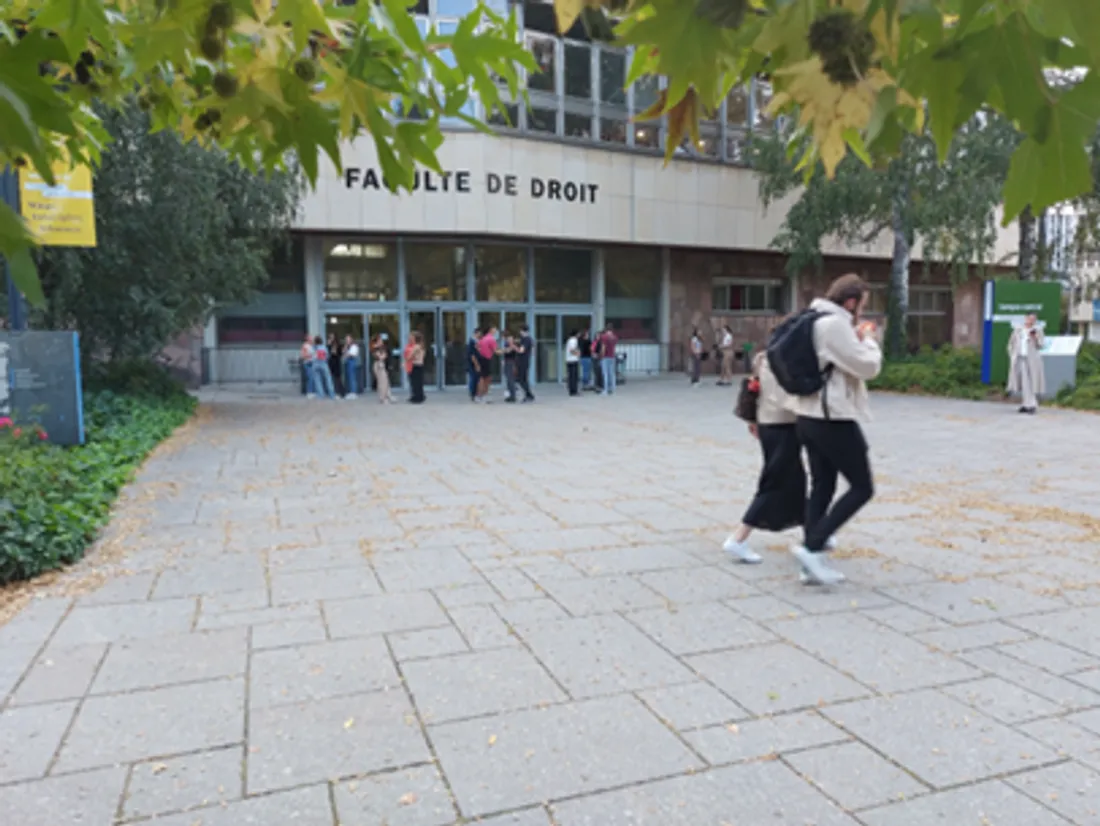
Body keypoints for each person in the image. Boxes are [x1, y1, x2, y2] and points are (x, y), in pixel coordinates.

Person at [787, 273, 882, 585]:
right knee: (862, 486)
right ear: (851, 302)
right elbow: (866, 367)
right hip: (832, 416)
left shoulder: (812, 318)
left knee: (823, 485)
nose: (862, 312)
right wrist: (869, 340)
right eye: (862, 305)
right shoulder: (834, 324)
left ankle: (810, 563)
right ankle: (812, 548)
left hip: (807, 414)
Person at [723, 333, 805, 564]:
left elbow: (755, 389)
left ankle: (815, 532)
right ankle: (739, 537)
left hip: (767, 423)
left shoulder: (763, 357)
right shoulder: (789, 360)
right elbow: (790, 396)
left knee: (796, 480)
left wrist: (752, 419)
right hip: (783, 424)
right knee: (774, 481)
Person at [1007, 313, 1045, 414]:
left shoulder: (1037, 331)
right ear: (1026, 318)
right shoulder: (1018, 330)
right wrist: (1012, 355)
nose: (1031, 321)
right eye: (1030, 318)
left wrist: (1035, 337)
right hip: (1020, 358)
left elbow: (1041, 345)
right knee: (1023, 383)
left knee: (1031, 382)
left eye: (1034, 319)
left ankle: (1032, 405)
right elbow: (1011, 344)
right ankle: (1025, 404)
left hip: (1032, 360)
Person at [476, 325, 498, 402]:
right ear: (491, 330)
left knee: (482, 378)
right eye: (495, 329)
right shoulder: (491, 339)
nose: (496, 331)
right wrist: (506, 350)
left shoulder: (483, 339)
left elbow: (478, 347)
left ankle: (479, 396)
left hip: (481, 359)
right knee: (487, 379)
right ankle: (484, 395)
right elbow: (496, 351)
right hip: (487, 360)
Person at [515, 324, 536, 402]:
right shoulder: (529, 339)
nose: (519, 332)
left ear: (522, 330)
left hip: (522, 362)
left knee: (521, 379)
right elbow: (533, 351)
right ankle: (529, 395)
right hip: (525, 361)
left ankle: (529, 395)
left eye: (520, 330)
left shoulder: (526, 339)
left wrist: (514, 347)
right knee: (523, 379)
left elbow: (521, 350)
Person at [371, 335, 394, 403]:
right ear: (377, 342)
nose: (381, 341)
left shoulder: (382, 348)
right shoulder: (375, 348)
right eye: (380, 340)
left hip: (382, 364)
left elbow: (386, 355)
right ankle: (383, 397)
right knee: (382, 382)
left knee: (386, 381)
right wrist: (383, 355)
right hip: (379, 365)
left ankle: (388, 395)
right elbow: (380, 357)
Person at [405, 332, 426, 403]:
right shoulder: (421, 346)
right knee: (419, 382)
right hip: (420, 365)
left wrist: (408, 358)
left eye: (412, 337)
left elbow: (409, 356)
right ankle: (420, 396)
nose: (410, 338)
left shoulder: (416, 346)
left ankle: (417, 397)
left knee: (415, 382)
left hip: (416, 366)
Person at [598, 324, 618, 395]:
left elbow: (603, 347)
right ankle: (612, 389)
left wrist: (601, 356)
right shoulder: (615, 337)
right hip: (612, 356)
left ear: (606, 329)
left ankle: (605, 390)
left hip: (605, 356)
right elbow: (614, 347)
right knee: (612, 374)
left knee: (605, 374)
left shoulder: (604, 337)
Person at [502, 331, 519, 402]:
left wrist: (505, 350)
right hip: (508, 362)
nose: (509, 340)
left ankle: (513, 397)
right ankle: (511, 395)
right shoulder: (507, 343)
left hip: (511, 363)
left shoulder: (512, 344)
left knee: (510, 379)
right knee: (509, 379)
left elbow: (510, 351)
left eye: (511, 339)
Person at [466, 328, 482, 402]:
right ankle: (473, 394)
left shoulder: (476, 342)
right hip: (473, 364)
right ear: (476, 333)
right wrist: (476, 365)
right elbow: (472, 356)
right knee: (474, 378)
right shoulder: (472, 342)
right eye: (479, 333)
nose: (480, 335)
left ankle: (474, 393)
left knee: (476, 378)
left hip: (476, 363)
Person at [343, 335, 361, 399]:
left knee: (352, 378)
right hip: (348, 363)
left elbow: (352, 354)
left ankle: (354, 392)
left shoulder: (354, 346)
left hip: (352, 363)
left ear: (351, 340)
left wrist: (347, 354)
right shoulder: (347, 347)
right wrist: (346, 350)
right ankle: (351, 392)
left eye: (348, 339)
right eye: (346, 340)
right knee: (350, 378)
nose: (347, 341)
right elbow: (344, 353)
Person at [327, 333, 344, 398]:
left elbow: (335, 353)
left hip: (336, 363)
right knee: (333, 378)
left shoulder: (337, 345)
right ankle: (335, 392)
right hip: (332, 363)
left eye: (332, 337)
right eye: (330, 337)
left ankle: (340, 392)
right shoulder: (330, 345)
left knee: (337, 378)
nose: (331, 339)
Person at [565, 329, 581, 396]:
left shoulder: (569, 340)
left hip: (569, 360)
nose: (579, 335)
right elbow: (572, 350)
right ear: (576, 334)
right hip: (573, 360)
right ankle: (573, 391)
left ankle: (572, 390)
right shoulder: (573, 340)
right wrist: (577, 354)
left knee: (571, 376)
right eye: (578, 334)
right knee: (573, 377)